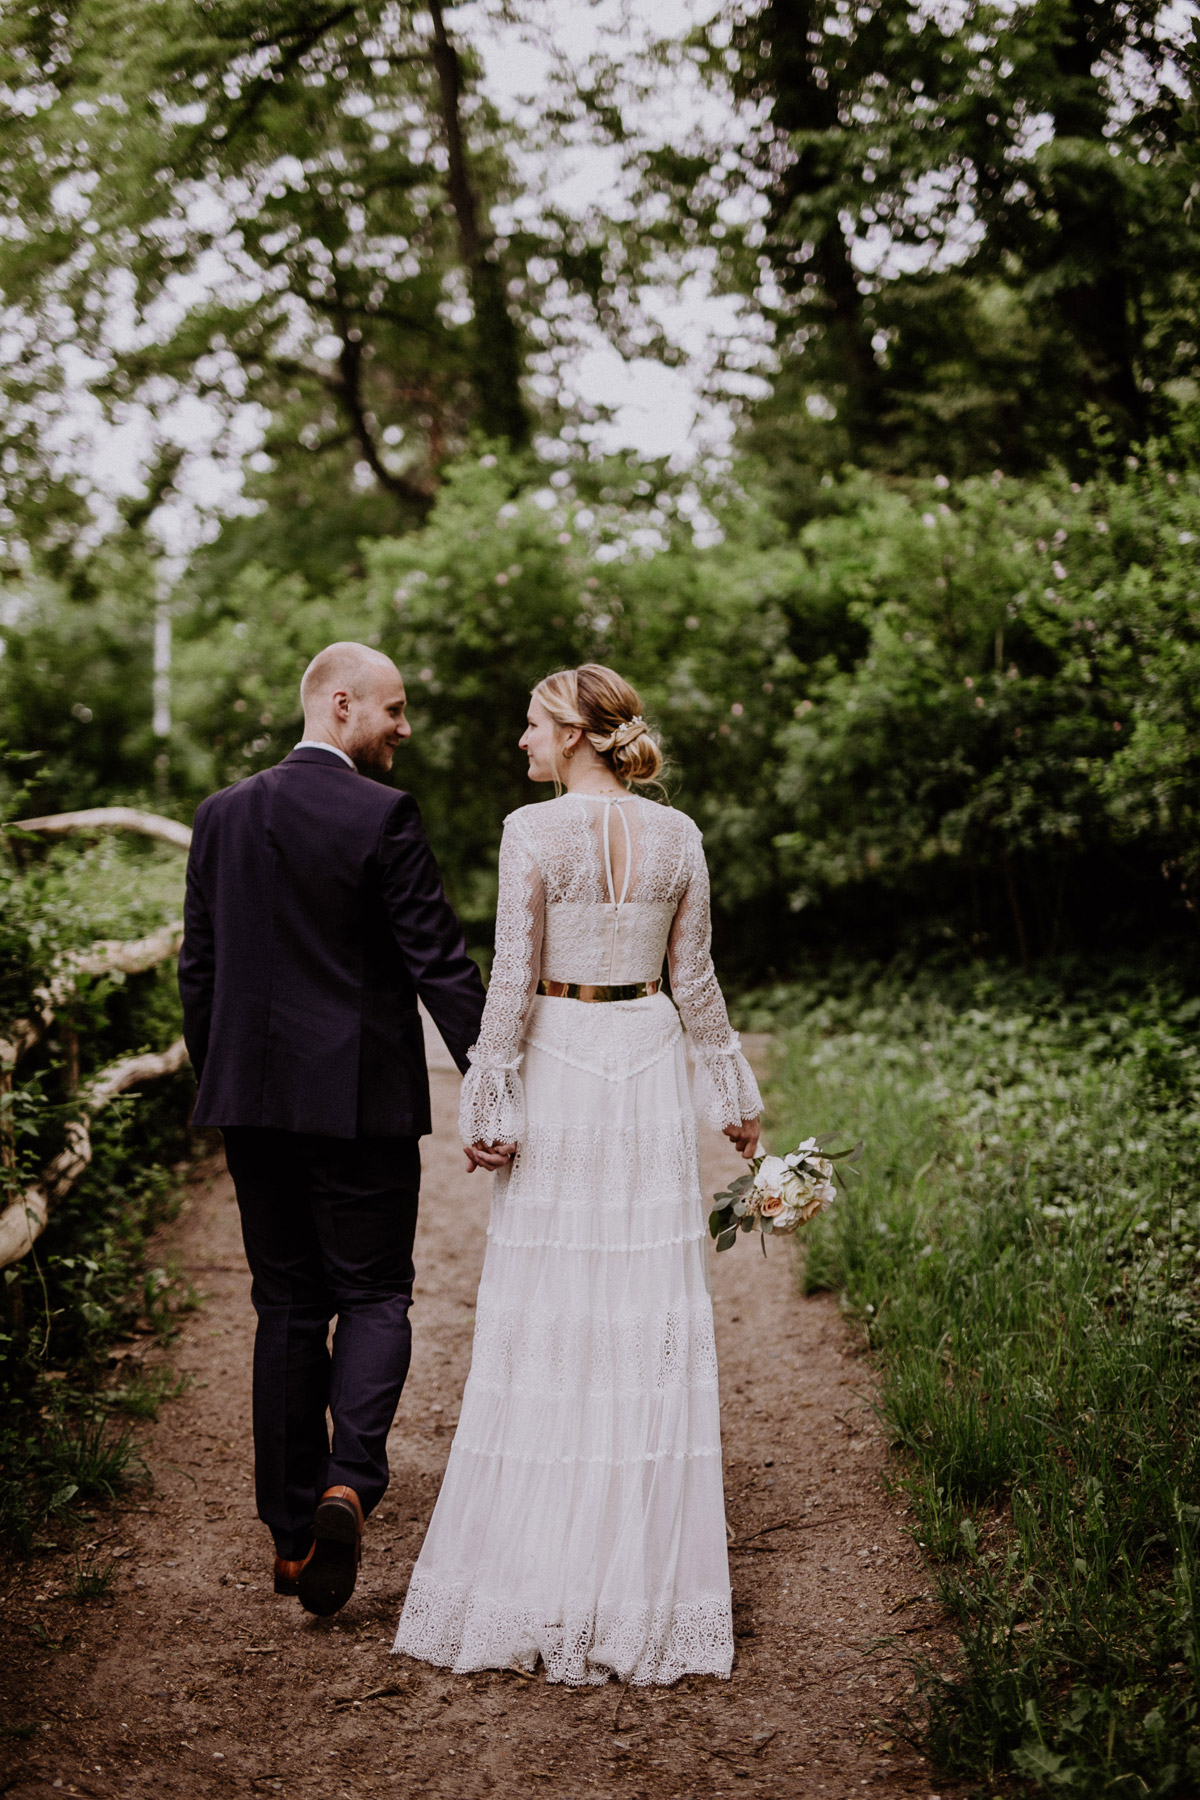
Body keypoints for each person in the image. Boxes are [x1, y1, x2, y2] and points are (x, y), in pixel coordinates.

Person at [393, 662, 762, 1685]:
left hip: (562, 1051)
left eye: (531, 724)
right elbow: (694, 979)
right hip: (643, 1052)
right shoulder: (678, 834)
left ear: (574, 733)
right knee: (641, 1297)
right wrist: (732, 1098)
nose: (521, 741)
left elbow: (512, 973)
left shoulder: (531, 832)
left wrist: (489, 1099)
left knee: (555, 1301)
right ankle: (634, 1564)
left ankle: (547, 1563)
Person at [178, 642, 486, 1618]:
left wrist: (221, 1072)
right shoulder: (382, 815)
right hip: (360, 1102)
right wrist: (496, 1078)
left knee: (286, 1306)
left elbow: (201, 968)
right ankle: (350, 1480)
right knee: (376, 1292)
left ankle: (290, 1537)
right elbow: (437, 960)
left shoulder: (221, 816)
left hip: (252, 1101)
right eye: (393, 710)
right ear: (340, 702)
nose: (403, 728)